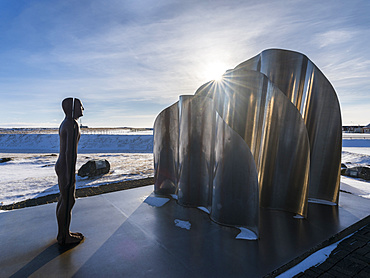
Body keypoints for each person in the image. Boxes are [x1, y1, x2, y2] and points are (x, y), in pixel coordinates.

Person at [55, 97, 84, 245]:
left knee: (64, 199)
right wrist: (69, 174)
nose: (83, 110)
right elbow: (69, 152)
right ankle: (65, 236)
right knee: (68, 200)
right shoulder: (72, 125)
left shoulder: (65, 123)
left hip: (62, 164)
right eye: (81, 106)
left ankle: (63, 233)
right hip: (66, 165)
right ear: (72, 108)